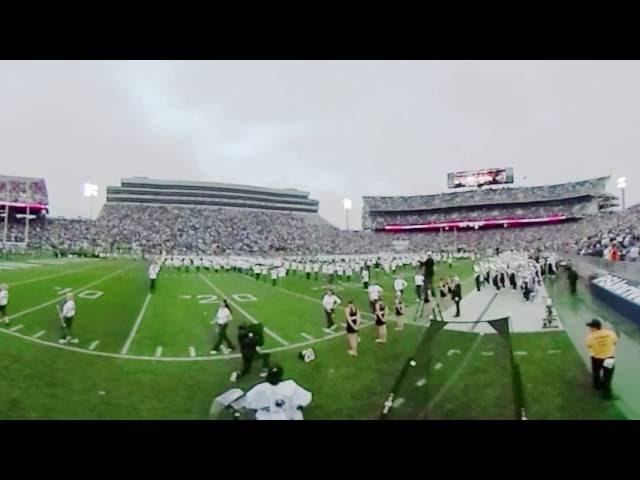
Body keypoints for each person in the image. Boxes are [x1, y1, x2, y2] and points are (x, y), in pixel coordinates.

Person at [243, 365, 312, 420]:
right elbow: (307, 398)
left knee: (251, 413)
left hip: (268, 417)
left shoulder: (260, 388)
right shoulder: (291, 385)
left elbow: (246, 403)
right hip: (291, 417)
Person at [585, 319, 619, 400]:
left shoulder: (589, 336)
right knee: (607, 377)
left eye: (591, 327)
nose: (590, 328)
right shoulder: (610, 333)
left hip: (596, 358)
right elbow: (615, 342)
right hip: (609, 359)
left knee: (596, 372)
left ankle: (597, 386)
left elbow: (589, 346)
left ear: (595, 328)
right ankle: (606, 395)